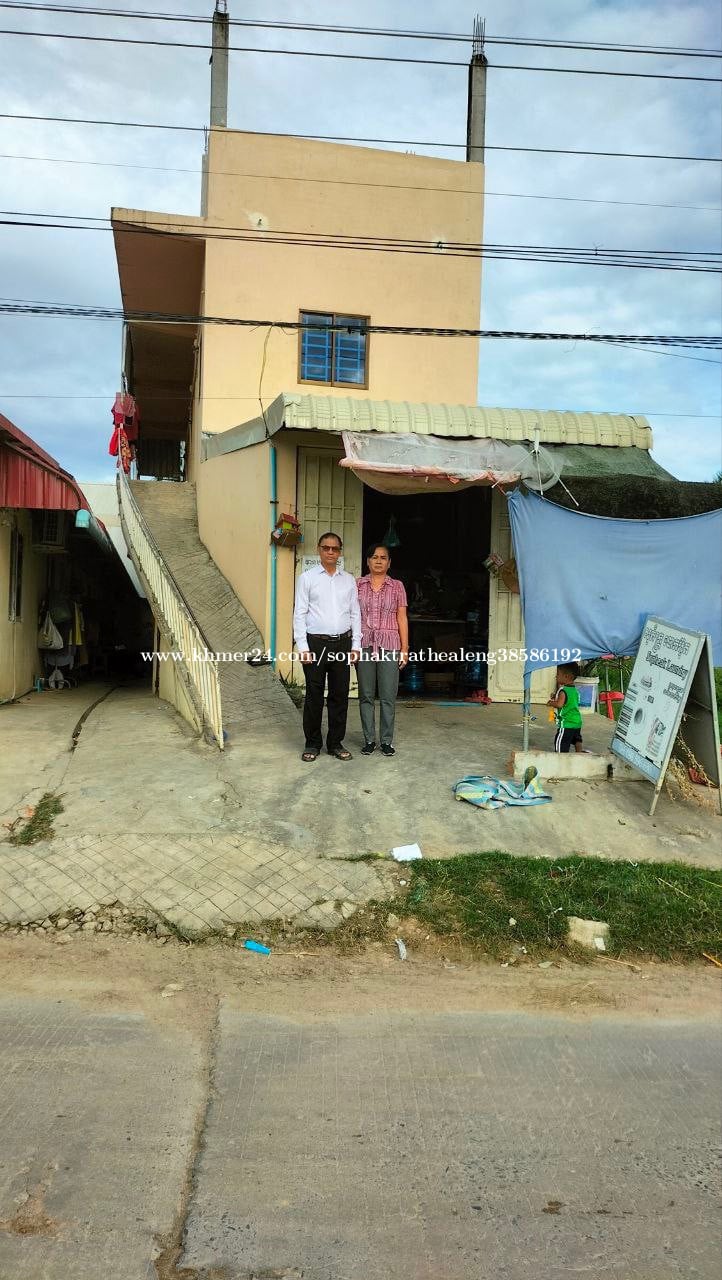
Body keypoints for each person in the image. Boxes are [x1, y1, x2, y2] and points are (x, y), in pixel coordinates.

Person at [293, 532, 361, 762]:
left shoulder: (348, 580)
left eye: (335, 548)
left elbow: (355, 614)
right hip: (315, 643)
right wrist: (303, 647)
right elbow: (300, 613)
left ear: (340, 551)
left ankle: (335, 743)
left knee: (339, 695)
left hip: (342, 643)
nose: (330, 552)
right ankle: (312, 743)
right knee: (314, 695)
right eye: (326, 548)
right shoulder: (307, 578)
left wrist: (356, 645)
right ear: (319, 549)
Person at [356, 543, 409, 758]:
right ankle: (369, 740)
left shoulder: (397, 586)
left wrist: (404, 648)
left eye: (383, 557)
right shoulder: (358, 585)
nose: (378, 561)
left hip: (390, 643)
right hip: (364, 643)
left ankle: (386, 741)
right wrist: (352, 646)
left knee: (388, 695)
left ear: (389, 563)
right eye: (374, 557)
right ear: (368, 561)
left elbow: (402, 618)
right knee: (366, 695)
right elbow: (352, 616)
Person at [547, 661, 584, 753]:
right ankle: (579, 753)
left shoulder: (563, 691)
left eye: (558, 674)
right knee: (577, 739)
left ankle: (560, 757)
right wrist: (555, 696)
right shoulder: (574, 690)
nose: (556, 676)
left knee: (561, 742)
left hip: (567, 723)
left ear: (566, 676)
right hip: (577, 722)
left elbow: (559, 704)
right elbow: (569, 701)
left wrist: (551, 703)